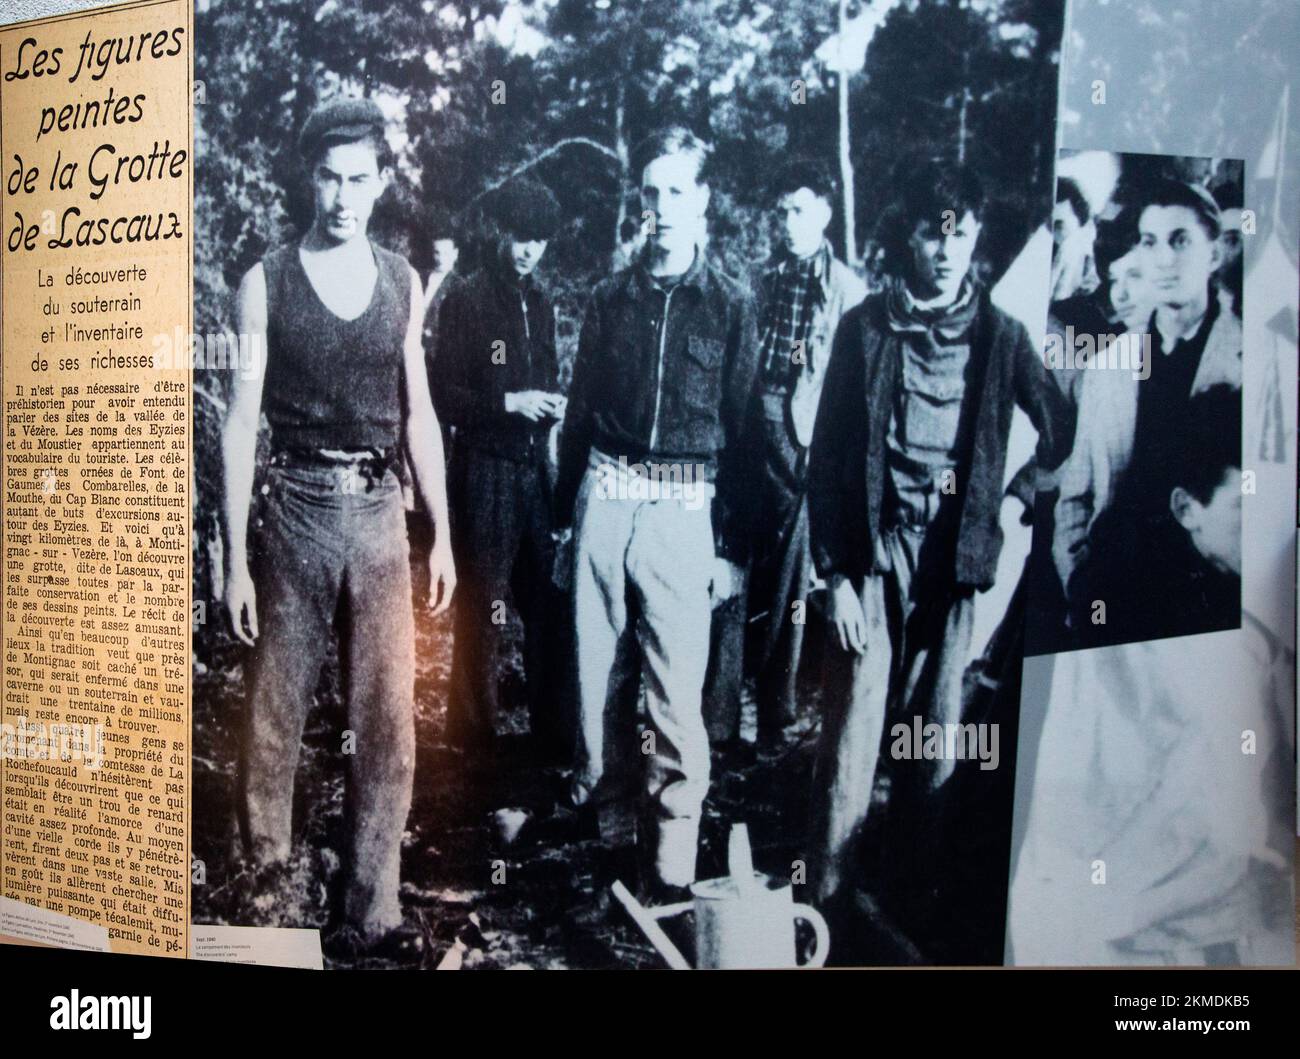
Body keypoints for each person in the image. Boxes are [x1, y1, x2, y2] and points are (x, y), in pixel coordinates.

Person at [805, 161, 1069, 923]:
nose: (948, 247)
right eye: (933, 230)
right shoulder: (865, 328)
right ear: (910, 238)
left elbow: (1060, 429)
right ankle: (824, 906)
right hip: (874, 553)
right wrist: (837, 576)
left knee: (932, 739)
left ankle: (907, 906)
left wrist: (1018, 494)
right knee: (852, 731)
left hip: (952, 562)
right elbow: (826, 459)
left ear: (978, 237)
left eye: (962, 231)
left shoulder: (1001, 335)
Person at [222, 97, 456, 960]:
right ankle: (269, 899)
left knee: (388, 718)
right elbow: (240, 420)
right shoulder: (266, 280)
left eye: (360, 177)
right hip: (293, 512)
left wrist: (442, 532)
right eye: (329, 175)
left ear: (383, 182)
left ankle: (373, 908)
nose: (343, 195)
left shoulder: (403, 280)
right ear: (308, 178)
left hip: (380, 515)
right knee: (274, 714)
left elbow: (420, 412)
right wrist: (234, 560)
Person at [554, 127, 760, 896]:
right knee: (598, 685)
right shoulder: (612, 298)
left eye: (678, 191)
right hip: (606, 494)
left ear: (703, 198)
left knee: (677, 697)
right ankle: (611, 852)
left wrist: (731, 547)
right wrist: (562, 520)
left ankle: (672, 871)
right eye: (652, 192)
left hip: (683, 508)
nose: (663, 207)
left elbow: (747, 434)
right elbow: (578, 413)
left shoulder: (731, 303)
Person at [1053, 178, 1241, 611]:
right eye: (1150, 242)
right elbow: (1076, 497)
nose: (1164, 260)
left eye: (1180, 241)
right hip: (1114, 593)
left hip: (1205, 600)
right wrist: (1078, 586)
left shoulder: (1247, 359)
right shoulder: (1109, 364)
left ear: (1212, 254)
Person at [433, 179, 571, 759]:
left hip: (533, 471)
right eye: (520, 237)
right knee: (483, 609)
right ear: (500, 232)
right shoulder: (466, 298)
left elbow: (551, 378)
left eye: (538, 240)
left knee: (547, 603)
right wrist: (510, 404)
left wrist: (553, 404)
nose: (528, 250)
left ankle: (553, 741)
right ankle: (470, 748)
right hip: (484, 470)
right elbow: (444, 394)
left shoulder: (541, 301)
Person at [739, 159, 866, 753]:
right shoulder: (766, 281)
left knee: (792, 579)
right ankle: (722, 717)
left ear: (825, 213)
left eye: (800, 210)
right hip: (751, 431)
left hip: (806, 439)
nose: (788, 222)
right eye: (782, 211)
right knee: (738, 565)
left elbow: (850, 389)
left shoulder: (848, 290)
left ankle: (775, 714)